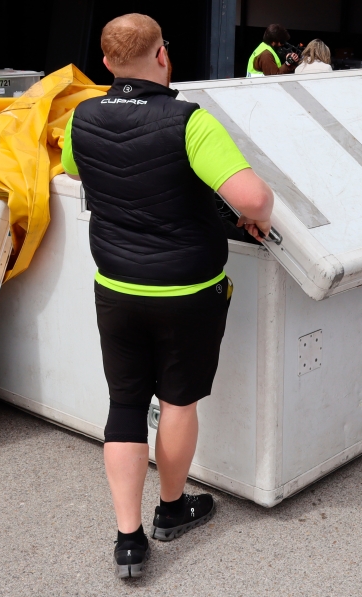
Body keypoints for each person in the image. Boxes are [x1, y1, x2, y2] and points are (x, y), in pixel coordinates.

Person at [61, 13, 275, 578]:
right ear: (162, 55)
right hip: (187, 291)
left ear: (107, 62)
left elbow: (75, 170)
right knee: (178, 402)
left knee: (126, 404)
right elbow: (252, 198)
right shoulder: (190, 122)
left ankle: (129, 540)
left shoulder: (82, 116)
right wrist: (261, 215)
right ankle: (172, 510)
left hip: (116, 286)